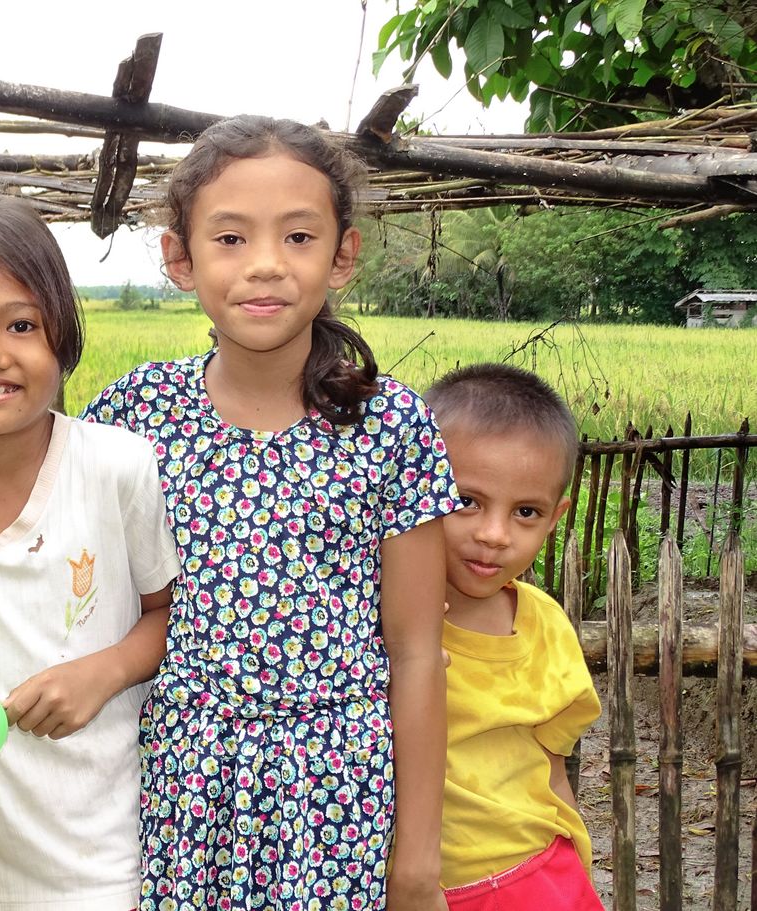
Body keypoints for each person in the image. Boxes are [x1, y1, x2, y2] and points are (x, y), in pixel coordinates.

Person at [82, 114, 457, 910]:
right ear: (179, 259)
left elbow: (419, 650)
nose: (264, 267)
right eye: (230, 239)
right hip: (176, 786)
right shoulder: (132, 414)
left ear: (341, 256)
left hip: (337, 795)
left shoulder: (391, 425)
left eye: (297, 237)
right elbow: (34, 507)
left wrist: (416, 860)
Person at [0, 194, 182, 911]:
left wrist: (104, 669)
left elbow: (168, 614)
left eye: (22, 324)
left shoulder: (118, 466)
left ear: (63, 338)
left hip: (97, 855)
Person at [423, 363, 603, 911]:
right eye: (467, 501)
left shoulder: (545, 625)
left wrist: (576, 877)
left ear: (555, 519)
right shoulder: (371, 615)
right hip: (415, 887)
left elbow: (551, 766)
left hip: (537, 875)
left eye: (526, 512)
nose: (494, 535)